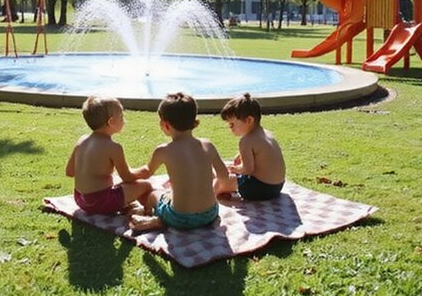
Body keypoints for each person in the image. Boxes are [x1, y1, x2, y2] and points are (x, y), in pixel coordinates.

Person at [129, 92, 230, 232]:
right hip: (210, 214)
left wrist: (127, 174)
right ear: (194, 120)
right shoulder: (208, 145)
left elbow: (146, 171)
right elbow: (224, 175)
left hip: (179, 219)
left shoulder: (163, 151)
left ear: (164, 124)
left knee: (154, 195)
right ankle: (159, 218)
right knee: (171, 194)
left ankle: (152, 218)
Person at [65, 97, 152, 215]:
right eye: (121, 116)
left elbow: (70, 172)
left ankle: (125, 205)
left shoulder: (82, 140)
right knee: (145, 185)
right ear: (111, 122)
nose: (124, 120)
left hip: (80, 199)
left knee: (117, 182)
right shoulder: (113, 147)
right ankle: (149, 212)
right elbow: (127, 177)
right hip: (101, 202)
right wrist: (143, 171)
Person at [213, 93, 286, 201]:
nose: (230, 128)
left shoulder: (246, 141)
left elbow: (247, 169)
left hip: (260, 189)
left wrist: (234, 169)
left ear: (249, 120)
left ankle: (207, 199)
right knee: (227, 166)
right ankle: (226, 188)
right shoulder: (267, 134)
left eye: (232, 124)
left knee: (221, 179)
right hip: (277, 186)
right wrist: (238, 160)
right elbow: (262, 155)